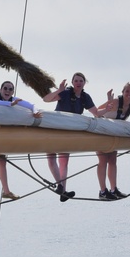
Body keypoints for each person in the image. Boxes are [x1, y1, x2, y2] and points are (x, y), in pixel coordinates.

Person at [42, 72, 104, 202]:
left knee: (64, 162)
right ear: (72, 82)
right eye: (76, 80)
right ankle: (61, 187)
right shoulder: (65, 93)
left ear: (84, 83)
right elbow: (46, 99)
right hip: (56, 127)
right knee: (51, 156)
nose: (78, 83)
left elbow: (96, 112)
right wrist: (59, 90)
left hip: (69, 130)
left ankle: (62, 189)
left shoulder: (85, 97)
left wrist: (107, 108)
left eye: (81, 81)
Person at [0, 80, 42, 204]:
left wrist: (35, 111)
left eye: (10, 89)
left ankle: (6, 191)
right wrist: (12, 104)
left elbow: (31, 105)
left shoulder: (14, 100)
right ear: (0, 89)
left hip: (2, 135)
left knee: (2, 163)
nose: (7, 91)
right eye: (5, 88)